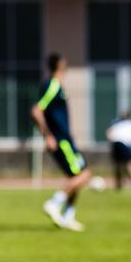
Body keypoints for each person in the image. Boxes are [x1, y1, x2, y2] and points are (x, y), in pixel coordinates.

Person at [31, 53, 91, 232]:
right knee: (84, 175)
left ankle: (68, 216)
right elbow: (36, 110)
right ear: (59, 65)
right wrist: (48, 135)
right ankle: (54, 203)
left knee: (76, 177)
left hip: (65, 139)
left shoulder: (57, 86)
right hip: (61, 140)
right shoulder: (52, 85)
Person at [106, 111, 131, 191]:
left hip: (115, 144)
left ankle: (118, 185)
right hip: (124, 144)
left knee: (118, 165)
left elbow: (108, 133)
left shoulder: (117, 124)